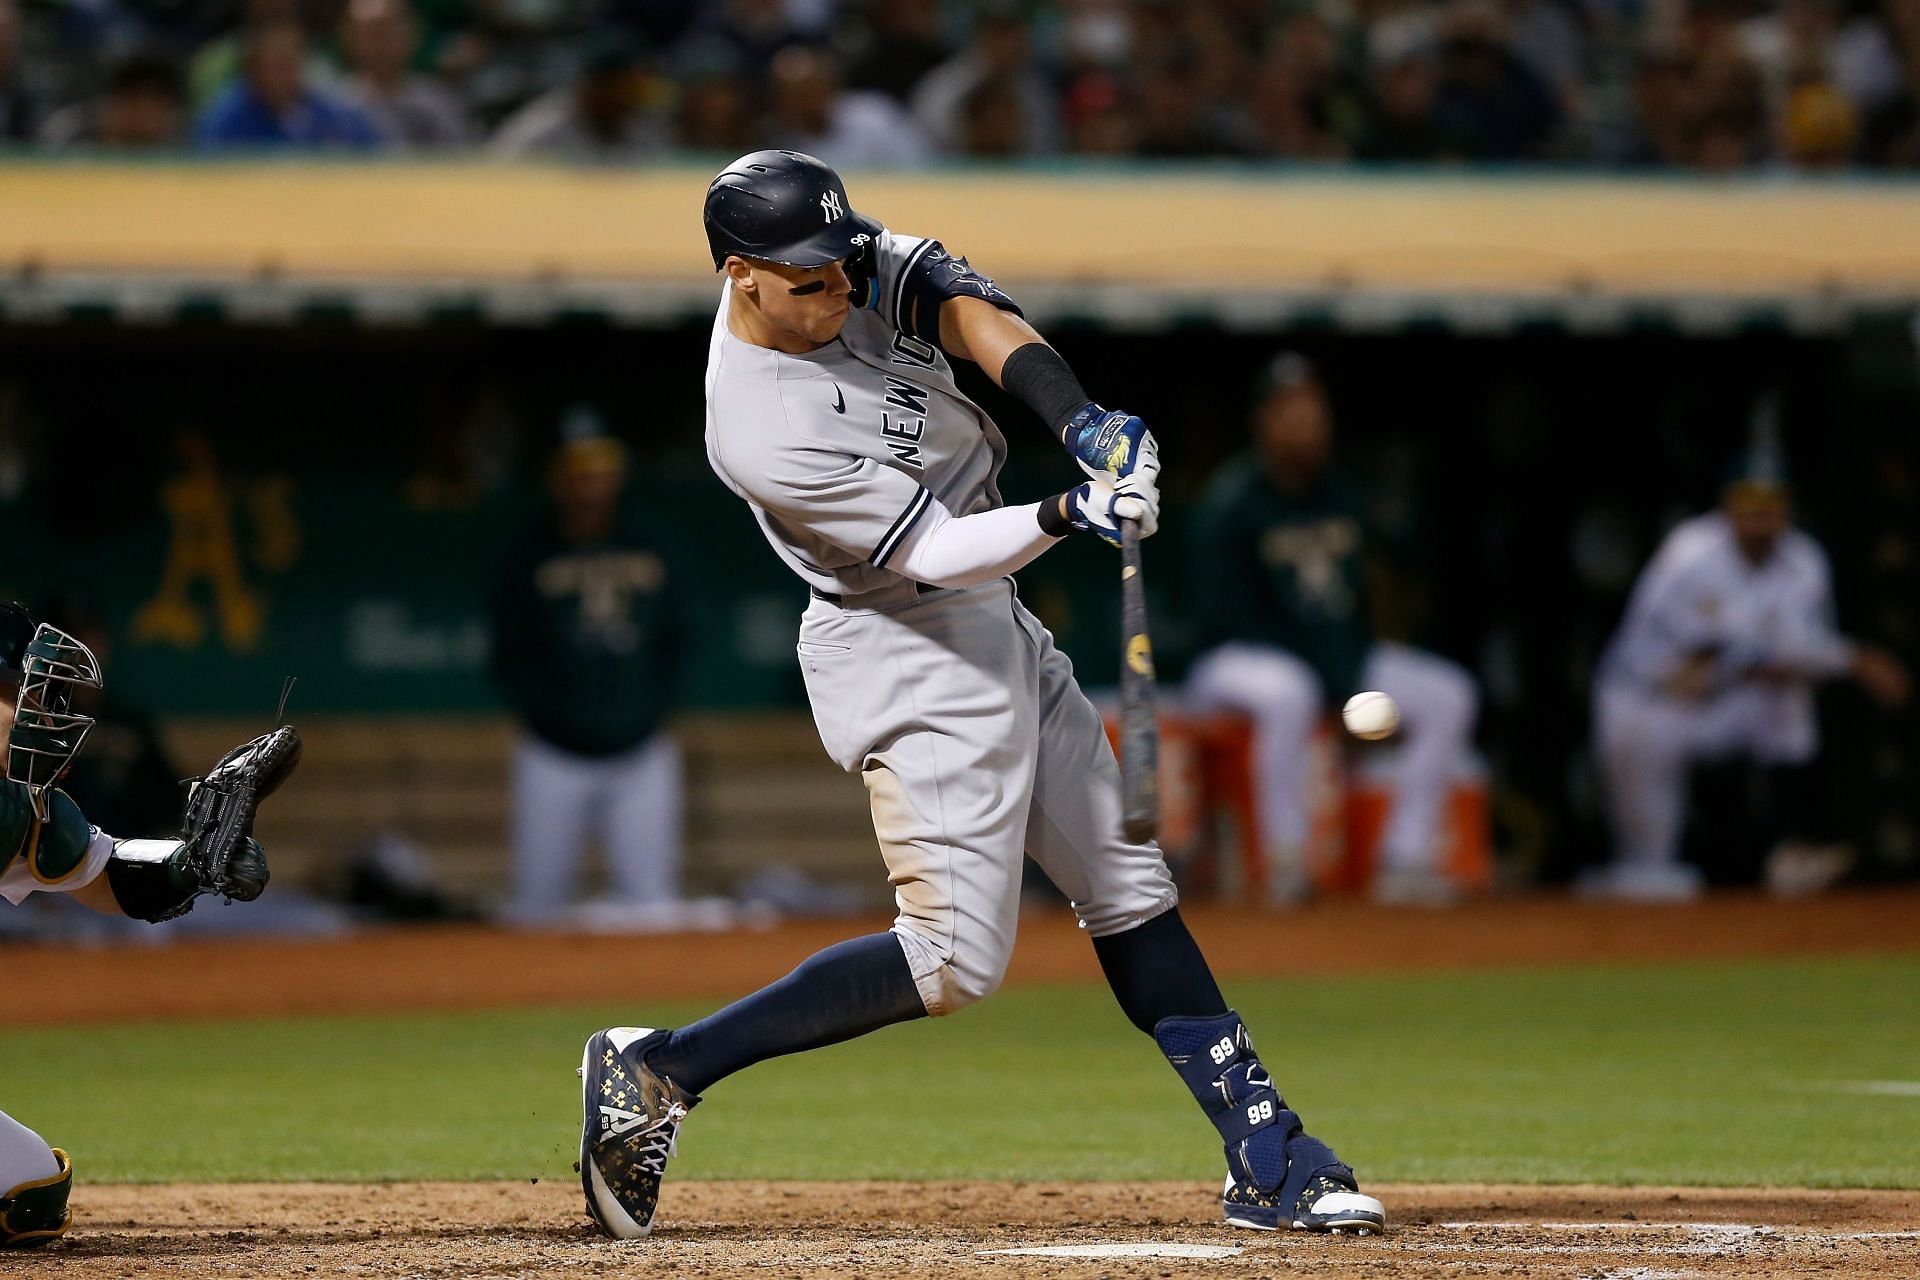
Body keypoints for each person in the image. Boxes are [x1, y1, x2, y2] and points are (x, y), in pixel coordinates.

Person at [575, 150, 1386, 1242]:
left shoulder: (842, 260)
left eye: (839, 264)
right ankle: (660, 1066)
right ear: (740, 273)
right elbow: (942, 548)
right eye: (810, 279)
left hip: (987, 617)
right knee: (951, 958)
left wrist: (1084, 422)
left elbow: (967, 311)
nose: (841, 289)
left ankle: (1268, 1153)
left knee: (1127, 879)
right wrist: (1069, 513)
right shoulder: (758, 427)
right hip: (903, 639)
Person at [0, 602, 277, 1249]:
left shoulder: (12, 807)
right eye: (17, 696)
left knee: (31, 1192)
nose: (36, 717)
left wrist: (191, 863)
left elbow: (106, 875)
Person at [1185, 352, 1479, 907]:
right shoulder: (1232, 504)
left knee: (1447, 696)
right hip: (1235, 661)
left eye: (1316, 413)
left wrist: (1349, 676)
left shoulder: (1341, 493)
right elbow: (1234, 620)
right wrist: (1339, 682)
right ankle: (1286, 864)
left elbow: (1364, 602)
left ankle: (1406, 859)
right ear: (1264, 421)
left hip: (1330, 662)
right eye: (1293, 412)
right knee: (1288, 693)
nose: (1309, 425)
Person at [1588, 450, 1910, 900]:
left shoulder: (1804, 561)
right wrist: (1854, 660)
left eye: (1770, 508)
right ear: (1727, 508)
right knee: (1652, 871)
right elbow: (1707, 660)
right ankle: (1625, 899)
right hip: (1648, 706)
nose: (1759, 520)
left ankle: (1787, 850)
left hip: (1722, 700)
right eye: (1749, 507)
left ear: (1788, 509)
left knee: (1787, 700)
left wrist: (1825, 659)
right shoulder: (1691, 553)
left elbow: (1796, 653)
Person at [489, 413, 689, 926]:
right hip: (552, 753)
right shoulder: (529, 549)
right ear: (556, 475)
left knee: (653, 908)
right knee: (537, 908)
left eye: (599, 467)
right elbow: (508, 651)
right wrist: (548, 714)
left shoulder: (650, 542)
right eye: (576, 468)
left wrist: (649, 711)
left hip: (641, 751)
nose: (589, 481)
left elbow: (680, 638)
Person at [194, 19, 385, 149]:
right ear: (253, 69)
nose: (283, 75)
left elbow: (367, 147)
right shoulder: (225, 119)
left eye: (290, 65)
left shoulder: (325, 109)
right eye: (274, 67)